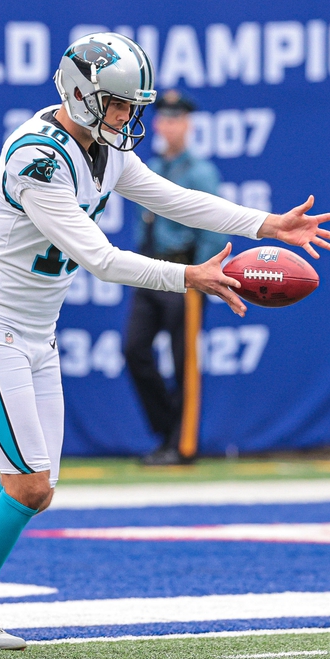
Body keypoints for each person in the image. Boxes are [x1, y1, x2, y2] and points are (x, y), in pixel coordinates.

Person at [0, 32, 330, 650]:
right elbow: (99, 258)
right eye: (116, 104)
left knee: (31, 488)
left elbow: (177, 200)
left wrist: (265, 223)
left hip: (38, 332)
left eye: (129, 106)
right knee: (28, 485)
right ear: (80, 94)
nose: (126, 117)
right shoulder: (37, 159)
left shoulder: (104, 150)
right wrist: (190, 276)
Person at [124, 90, 226, 466]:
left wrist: (201, 274)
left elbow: (213, 226)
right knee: (134, 350)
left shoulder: (200, 172)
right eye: (164, 119)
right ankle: (166, 429)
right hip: (150, 271)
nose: (170, 126)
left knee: (184, 361)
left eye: (177, 120)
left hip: (185, 273)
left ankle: (182, 445)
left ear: (189, 125)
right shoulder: (148, 165)